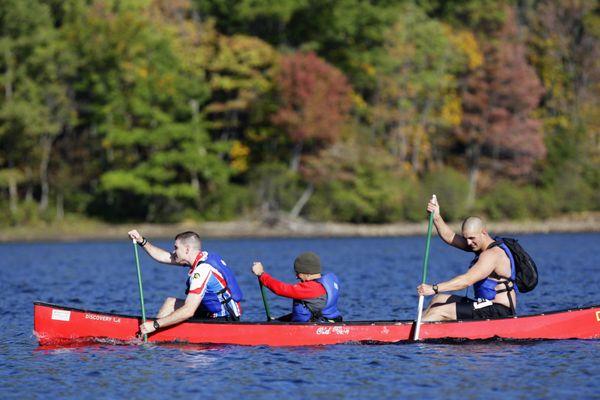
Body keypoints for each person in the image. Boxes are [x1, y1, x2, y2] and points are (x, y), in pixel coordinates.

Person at [416, 195, 517, 321]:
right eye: (466, 238)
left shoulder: (492, 255)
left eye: (471, 238)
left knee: (440, 310)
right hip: (484, 304)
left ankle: (414, 333)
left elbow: (466, 281)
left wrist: (434, 288)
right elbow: (450, 237)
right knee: (438, 299)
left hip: (500, 311)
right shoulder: (479, 245)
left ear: (483, 232)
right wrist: (436, 216)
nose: (468, 243)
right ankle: (415, 326)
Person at [128, 230, 243, 336]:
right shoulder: (203, 257)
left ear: (187, 249)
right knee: (170, 303)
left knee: (178, 315)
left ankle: (153, 332)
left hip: (224, 319)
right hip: (212, 310)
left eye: (176, 247)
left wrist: (155, 324)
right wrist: (141, 241)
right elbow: (163, 257)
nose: (174, 251)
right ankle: (152, 333)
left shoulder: (202, 271)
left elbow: (188, 310)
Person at [251, 252, 342, 322]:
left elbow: (281, 289)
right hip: (327, 321)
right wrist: (279, 320)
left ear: (308, 273)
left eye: (298, 273)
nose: (296, 276)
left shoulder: (312, 288)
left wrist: (261, 274)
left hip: (315, 328)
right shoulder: (324, 284)